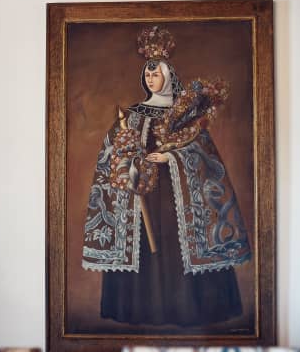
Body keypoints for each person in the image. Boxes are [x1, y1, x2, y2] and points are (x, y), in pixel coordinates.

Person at [82, 26, 251, 327]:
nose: (150, 78)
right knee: (145, 253)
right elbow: (113, 155)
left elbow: (204, 157)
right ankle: (140, 311)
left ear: (168, 75)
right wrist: (128, 168)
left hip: (177, 203)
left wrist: (172, 157)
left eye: (155, 73)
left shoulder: (187, 115)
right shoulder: (132, 115)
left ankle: (187, 311)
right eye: (147, 74)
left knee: (175, 253)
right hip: (141, 203)